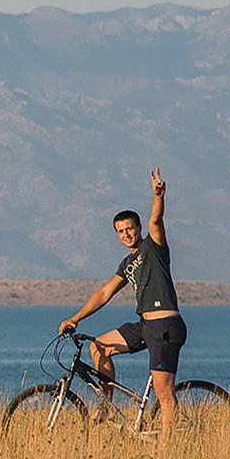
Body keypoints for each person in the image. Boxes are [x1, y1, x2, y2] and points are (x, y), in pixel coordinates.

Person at [61, 167, 183, 438]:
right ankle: (106, 407)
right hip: (144, 326)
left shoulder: (153, 247)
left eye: (129, 228)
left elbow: (156, 220)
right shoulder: (127, 263)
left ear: (138, 228)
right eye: (120, 231)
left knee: (163, 391)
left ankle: (167, 448)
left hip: (165, 326)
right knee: (98, 347)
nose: (126, 234)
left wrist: (158, 197)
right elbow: (105, 292)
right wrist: (75, 318)